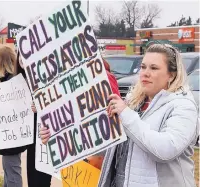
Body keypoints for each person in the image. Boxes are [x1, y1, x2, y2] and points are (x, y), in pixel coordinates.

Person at [40, 44, 198, 187]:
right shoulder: (133, 103)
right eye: (143, 67)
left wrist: (126, 115)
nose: (145, 73)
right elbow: (106, 146)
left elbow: (165, 150)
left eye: (154, 68)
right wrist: (58, 137)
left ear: (171, 75)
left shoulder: (183, 106)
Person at [0, 46, 26, 187]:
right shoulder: (12, 78)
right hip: (13, 132)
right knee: (9, 168)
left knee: (12, 170)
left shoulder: (10, 80)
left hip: (12, 133)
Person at [16, 51, 52, 187]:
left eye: (26, 54)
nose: (22, 59)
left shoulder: (46, 78)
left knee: (41, 179)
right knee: (31, 175)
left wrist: (42, 106)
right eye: (20, 55)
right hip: (30, 139)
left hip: (44, 137)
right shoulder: (20, 79)